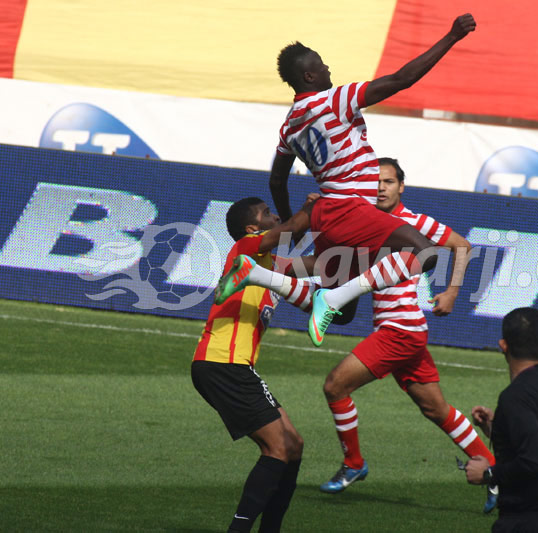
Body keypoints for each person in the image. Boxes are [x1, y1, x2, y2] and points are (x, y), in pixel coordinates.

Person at [269, 13, 477, 346]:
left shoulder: (289, 126)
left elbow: (277, 181)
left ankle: (262, 272)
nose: (328, 70)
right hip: (349, 208)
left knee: (346, 311)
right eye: (321, 67)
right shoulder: (333, 100)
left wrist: (288, 227)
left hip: (330, 211)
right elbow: (402, 79)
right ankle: (275, 277)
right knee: (427, 254)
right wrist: (451, 37)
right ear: (309, 75)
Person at [318, 157, 498, 513]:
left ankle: (354, 463)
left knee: (335, 386)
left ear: (401, 186)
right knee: (436, 409)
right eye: (376, 182)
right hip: (405, 330)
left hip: (399, 330)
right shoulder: (367, 219)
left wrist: (452, 292)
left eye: (388, 181)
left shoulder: (414, 222)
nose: (381, 187)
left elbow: (462, 245)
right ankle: (496, 471)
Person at [192, 195, 320, 533]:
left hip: (235, 366)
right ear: (252, 228)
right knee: (277, 448)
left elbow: (317, 265)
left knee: (293, 445)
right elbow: (292, 227)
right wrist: (311, 209)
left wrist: (367, 252)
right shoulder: (245, 249)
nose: (274, 215)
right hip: (223, 363)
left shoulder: (270, 265)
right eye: (266, 213)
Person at [465, 308, 538, 532]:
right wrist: (496, 428)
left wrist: (488, 474)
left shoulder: (515, 398)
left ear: (503, 346)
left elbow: (536, 461)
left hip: (528, 522)